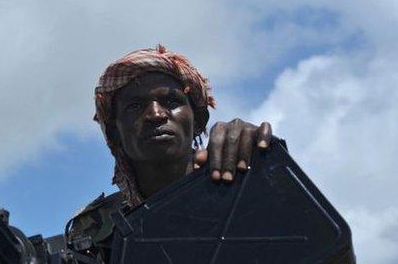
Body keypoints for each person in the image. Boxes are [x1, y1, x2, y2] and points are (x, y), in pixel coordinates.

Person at [66, 44, 274, 259]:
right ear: (114, 132)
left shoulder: (239, 187)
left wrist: (261, 164)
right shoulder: (94, 231)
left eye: (172, 102)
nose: (155, 115)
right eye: (135, 106)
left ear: (199, 122)